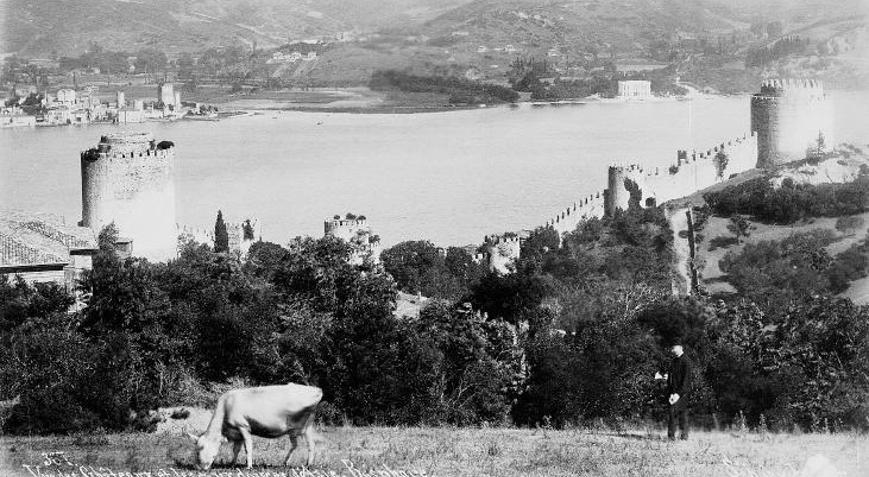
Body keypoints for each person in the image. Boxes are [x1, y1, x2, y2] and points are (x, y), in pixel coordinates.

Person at [666, 342, 692, 440]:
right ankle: (671, 437)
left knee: (682, 415)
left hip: (683, 393)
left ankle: (683, 437)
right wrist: (670, 393)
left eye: (674, 347)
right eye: (672, 348)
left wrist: (678, 394)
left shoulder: (686, 361)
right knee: (673, 414)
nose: (673, 350)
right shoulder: (673, 361)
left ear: (681, 347)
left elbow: (686, 380)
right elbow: (671, 379)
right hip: (673, 393)